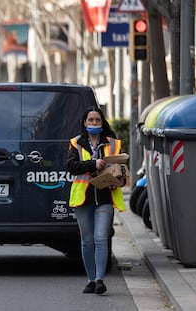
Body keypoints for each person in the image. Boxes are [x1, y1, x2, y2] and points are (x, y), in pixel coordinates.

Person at [67, 106, 126, 295]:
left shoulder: (113, 144)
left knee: (101, 237)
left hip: (105, 197)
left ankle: (100, 280)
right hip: (83, 198)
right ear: (84, 123)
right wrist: (93, 164)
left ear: (102, 122)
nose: (94, 123)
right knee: (87, 241)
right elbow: (71, 166)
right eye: (90, 120)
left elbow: (122, 168)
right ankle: (90, 280)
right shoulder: (76, 143)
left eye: (97, 120)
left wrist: (119, 179)